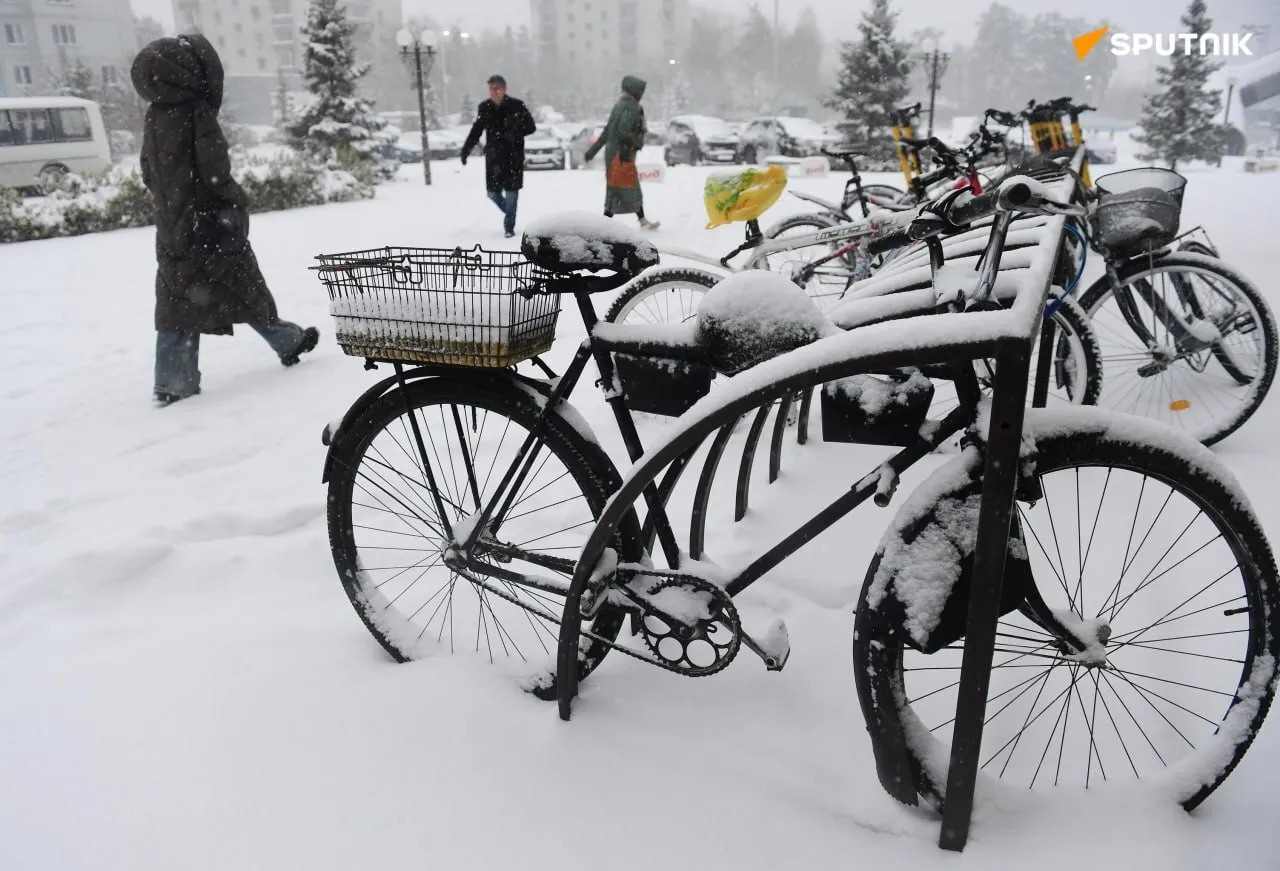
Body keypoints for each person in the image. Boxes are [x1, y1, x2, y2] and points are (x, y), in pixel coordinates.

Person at [130, 34, 318, 406]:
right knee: (246, 290)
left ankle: (173, 380)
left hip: (172, 228)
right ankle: (289, 341)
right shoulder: (196, 113)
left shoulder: (155, 115)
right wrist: (235, 202)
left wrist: (173, 205)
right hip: (211, 225)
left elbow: (149, 173)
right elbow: (216, 172)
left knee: (177, 301)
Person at [460, 74, 537, 238]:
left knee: (511, 193)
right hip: (494, 159)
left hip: (513, 157)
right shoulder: (485, 108)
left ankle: (509, 227)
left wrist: (515, 131)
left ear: (504, 89)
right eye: (491, 88)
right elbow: (476, 131)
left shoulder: (517, 106)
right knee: (492, 193)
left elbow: (531, 127)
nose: (494, 91)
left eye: (497, 88)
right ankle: (509, 212)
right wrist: (466, 150)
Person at [584, 75, 660, 230]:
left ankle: (629, 221)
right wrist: (635, 142)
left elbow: (607, 132)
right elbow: (624, 132)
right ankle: (614, 222)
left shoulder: (618, 106)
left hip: (612, 154)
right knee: (629, 187)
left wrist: (591, 152)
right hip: (622, 155)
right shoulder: (632, 108)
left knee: (616, 188)